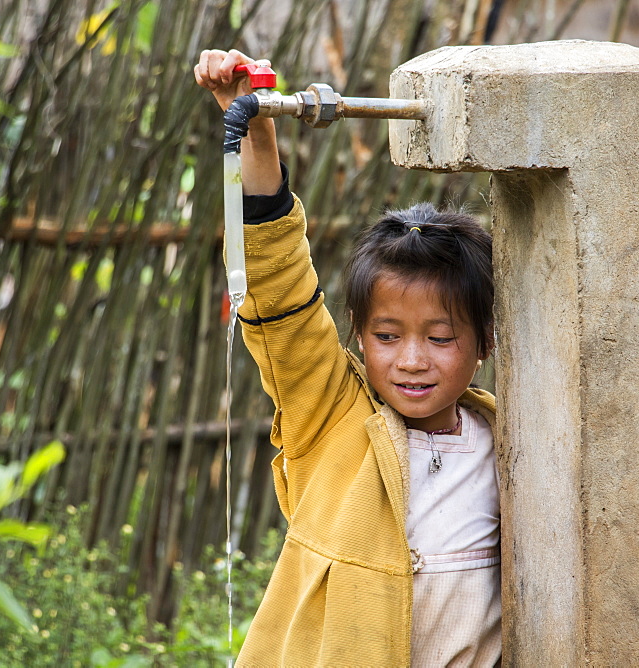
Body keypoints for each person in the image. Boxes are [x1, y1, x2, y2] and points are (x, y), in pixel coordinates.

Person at [195, 49, 501, 667]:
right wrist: (255, 130)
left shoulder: (506, 441)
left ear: (486, 341)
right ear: (358, 335)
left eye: (441, 338)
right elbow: (280, 296)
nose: (412, 360)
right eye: (388, 336)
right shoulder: (331, 417)